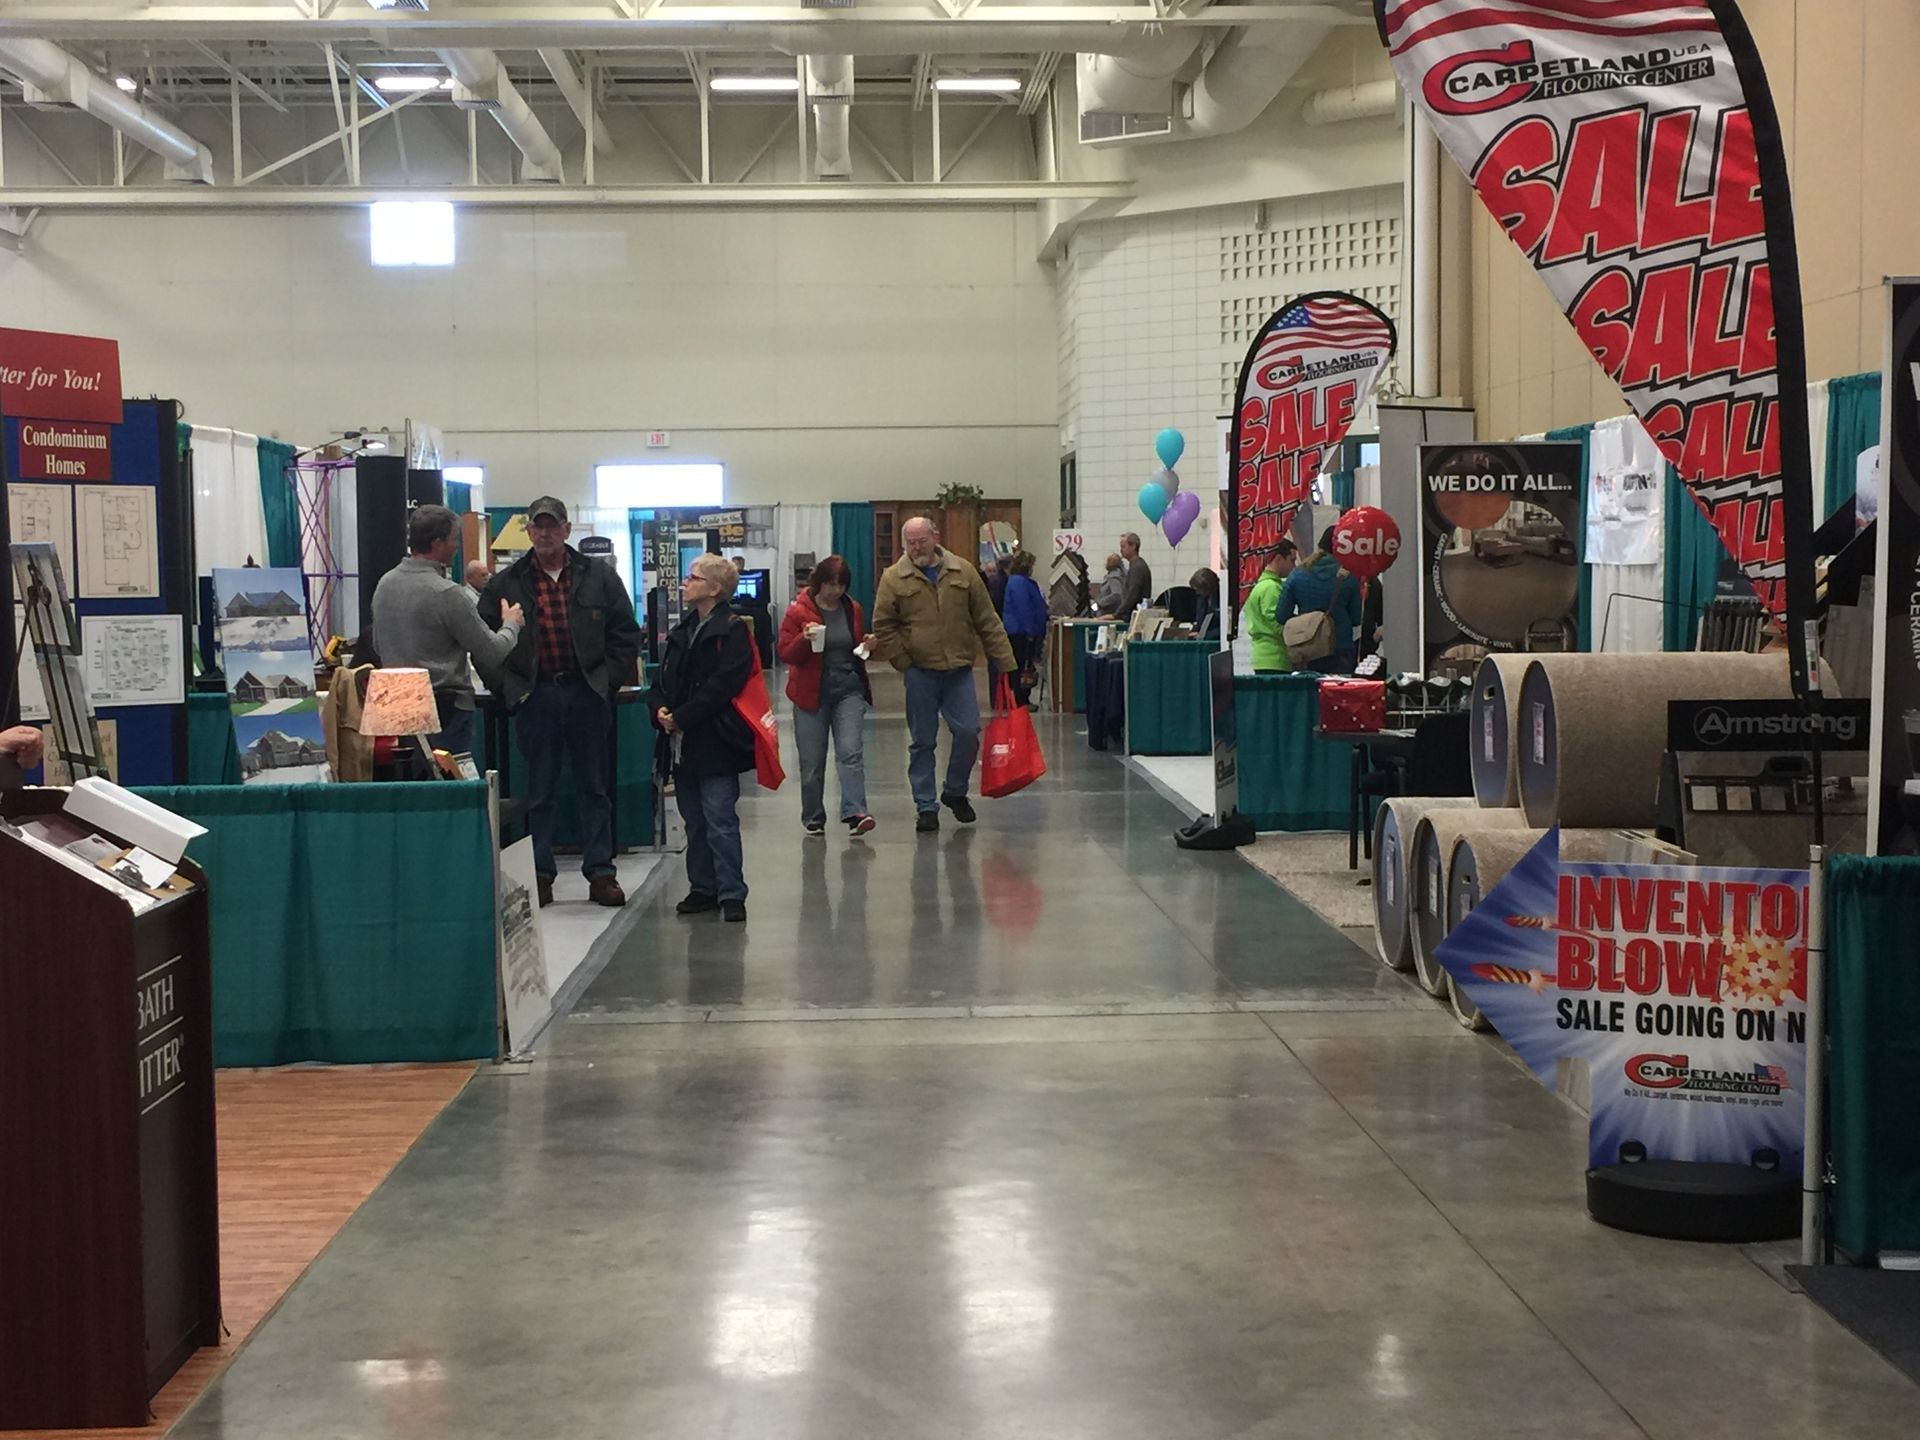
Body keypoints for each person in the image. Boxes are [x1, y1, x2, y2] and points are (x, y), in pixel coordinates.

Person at [479, 496, 644, 909]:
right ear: (529, 531)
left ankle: (601, 874)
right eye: (538, 526)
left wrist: (605, 681)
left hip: (586, 692)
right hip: (537, 696)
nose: (546, 532)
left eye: (553, 525)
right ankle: (540, 876)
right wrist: (509, 688)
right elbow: (481, 644)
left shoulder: (599, 577)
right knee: (540, 791)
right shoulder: (506, 583)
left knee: (595, 787)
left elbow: (626, 632)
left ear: (567, 529)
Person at [869, 515, 1016, 833]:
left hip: (958, 670)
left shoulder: (963, 571)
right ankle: (925, 806)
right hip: (919, 672)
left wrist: (1006, 662)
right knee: (922, 741)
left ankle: (954, 790)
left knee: (967, 732)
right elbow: (882, 624)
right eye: (910, 542)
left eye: (921, 540)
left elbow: (986, 619)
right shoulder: (894, 578)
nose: (917, 547)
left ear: (935, 537)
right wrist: (902, 660)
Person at [646, 555, 755, 923]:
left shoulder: (732, 630)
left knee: (720, 816)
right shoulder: (681, 631)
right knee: (694, 817)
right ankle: (702, 886)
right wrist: (660, 709)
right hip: (682, 742)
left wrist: (682, 717)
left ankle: (731, 891)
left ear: (714, 588)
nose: (684, 583)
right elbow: (661, 680)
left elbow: (722, 685)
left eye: (692, 578)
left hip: (716, 740)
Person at [370, 504, 524, 757]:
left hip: (393, 708)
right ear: (438, 543)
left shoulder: (384, 585)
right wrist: (511, 624)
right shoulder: (448, 594)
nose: (456, 546)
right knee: (449, 788)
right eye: (454, 540)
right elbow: (492, 652)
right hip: (444, 710)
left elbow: (378, 644)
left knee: (408, 784)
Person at [777, 555, 875, 838]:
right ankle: (813, 816)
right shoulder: (797, 612)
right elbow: (785, 653)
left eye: (841, 585)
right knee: (811, 760)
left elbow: (855, 647)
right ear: (818, 582)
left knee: (850, 751)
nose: (836, 591)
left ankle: (856, 812)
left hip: (848, 689)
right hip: (810, 693)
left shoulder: (852, 609)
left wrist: (867, 645)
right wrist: (803, 640)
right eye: (831, 584)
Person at [1278, 526, 1363, 673]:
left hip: (1306, 649)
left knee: (1309, 694)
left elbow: (1281, 615)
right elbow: (1356, 618)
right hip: (1341, 648)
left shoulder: (1297, 575)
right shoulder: (1349, 576)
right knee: (1340, 694)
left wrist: (1306, 622)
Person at [1241, 540, 1298, 674]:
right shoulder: (1271, 588)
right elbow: (1277, 623)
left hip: (1262, 656)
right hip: (1275, 657)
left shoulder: (1258, 585)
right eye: (1292, 560)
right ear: (1278, 558)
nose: (1294, 566)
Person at [1001, 551, 1048, 709]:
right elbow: (1024, 608)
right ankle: (1021, 701)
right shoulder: (1020, 583)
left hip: (1020, 629)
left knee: (1023, 665)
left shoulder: (1018, 582)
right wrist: (1030, 630)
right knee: (1023, 666)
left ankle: (1021, 699)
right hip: (1021, 631)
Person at [1114, 531, 1153, 618]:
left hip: (1133, 617)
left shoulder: (1137, 568)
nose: (1121, 550)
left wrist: (1116, 615)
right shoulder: (1137, 565)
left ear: (1133, 546)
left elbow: (1132, 594)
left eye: (1123, 546)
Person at [1188, 567, 1221, 637]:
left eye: (1199, 589)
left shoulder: (1222, 599)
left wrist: (1205, 635)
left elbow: (1223, 627)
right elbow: (1199, 622)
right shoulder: (1201, 599)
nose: (1197, 592)